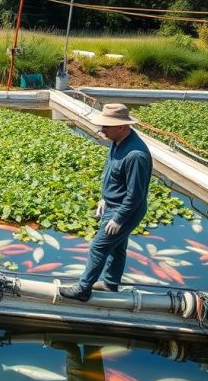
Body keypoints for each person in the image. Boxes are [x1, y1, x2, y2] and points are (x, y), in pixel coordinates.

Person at [59, 103, 153, 301]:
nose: (102, 130)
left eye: (106, 126)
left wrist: (119, 218)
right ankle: (110, 284)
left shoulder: (136, 155)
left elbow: (135, 194)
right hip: (113, 204)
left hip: (126, 209)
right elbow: (113, 175)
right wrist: (104, 198)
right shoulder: (118, 142)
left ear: (121, 126)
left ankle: (83, 289)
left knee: (99, 246)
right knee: (117, 247)